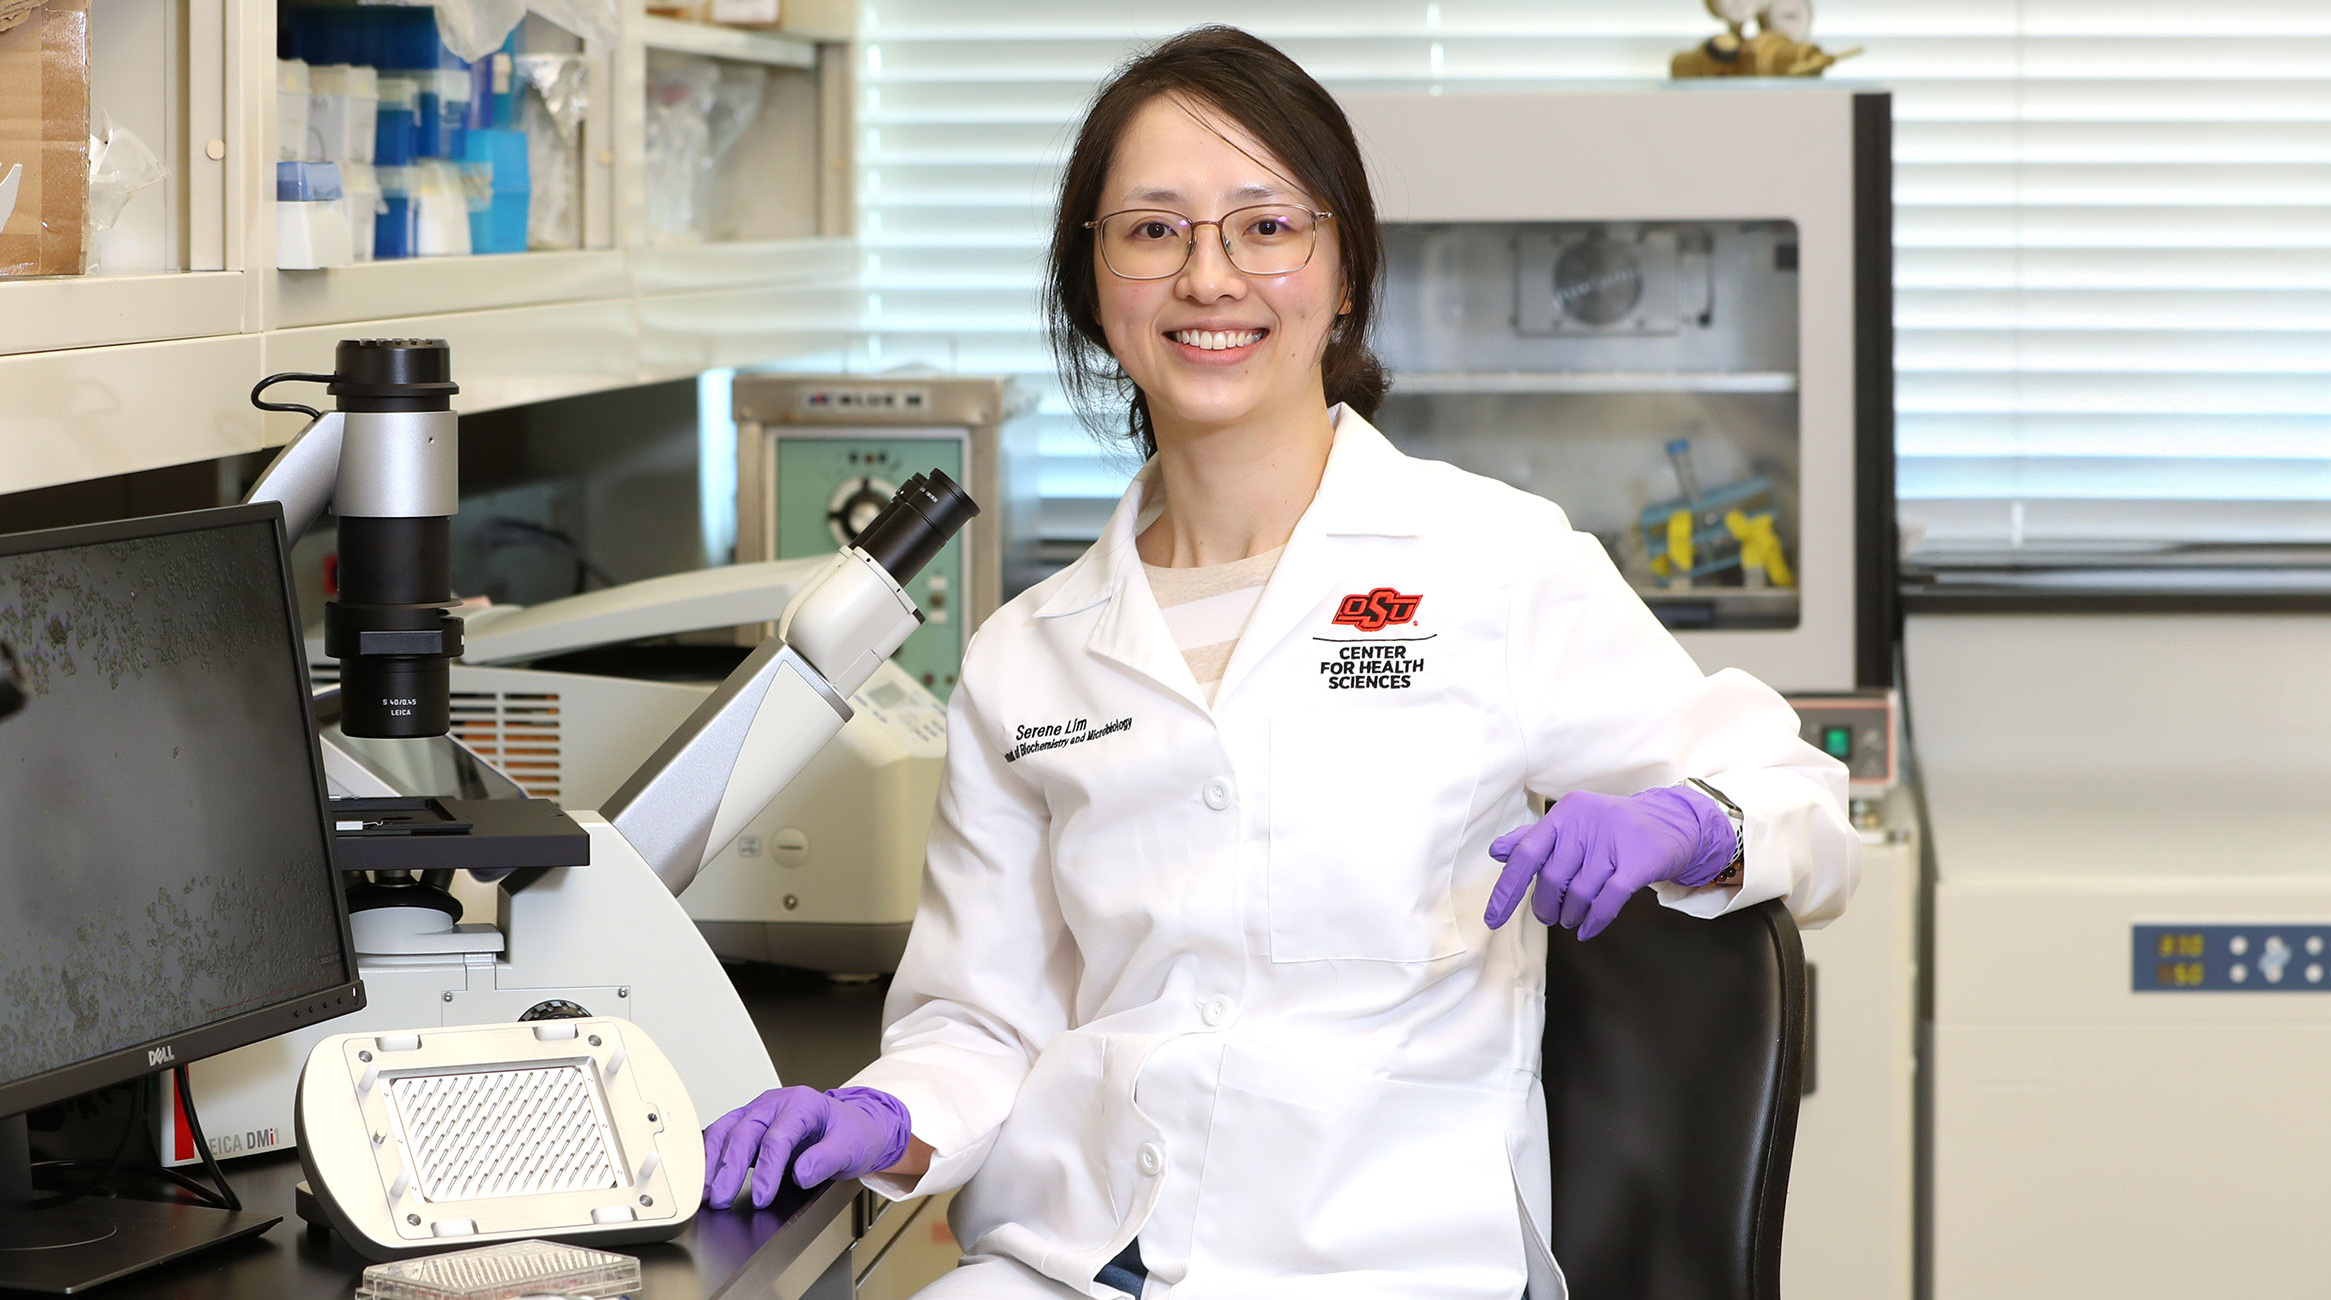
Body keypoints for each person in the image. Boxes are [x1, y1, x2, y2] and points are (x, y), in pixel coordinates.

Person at [699, 25, 1857, 1300]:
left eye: (1265, 227)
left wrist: (1688, 823)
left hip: (1388, 1266)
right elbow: (982, 1019)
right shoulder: (1025, 656)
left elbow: (1801, 796)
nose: (1209, 277)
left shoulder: (1491, 561)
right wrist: (880, 1115)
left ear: (1342, 270)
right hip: (1071, 1265)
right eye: (1153, 230)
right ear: (1094, 284)